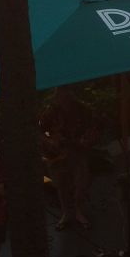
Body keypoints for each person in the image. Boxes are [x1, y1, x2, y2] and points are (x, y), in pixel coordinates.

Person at [39, 87, 98, 230]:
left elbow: (93, 129)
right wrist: (50, 142)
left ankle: (78, 211)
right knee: (61, 186)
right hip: (57, 156)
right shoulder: (50, 112)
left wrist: (88, 139)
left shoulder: (83, 110)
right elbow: (40, 131)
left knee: (81, 183)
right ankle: (66, 213)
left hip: (78, 152)